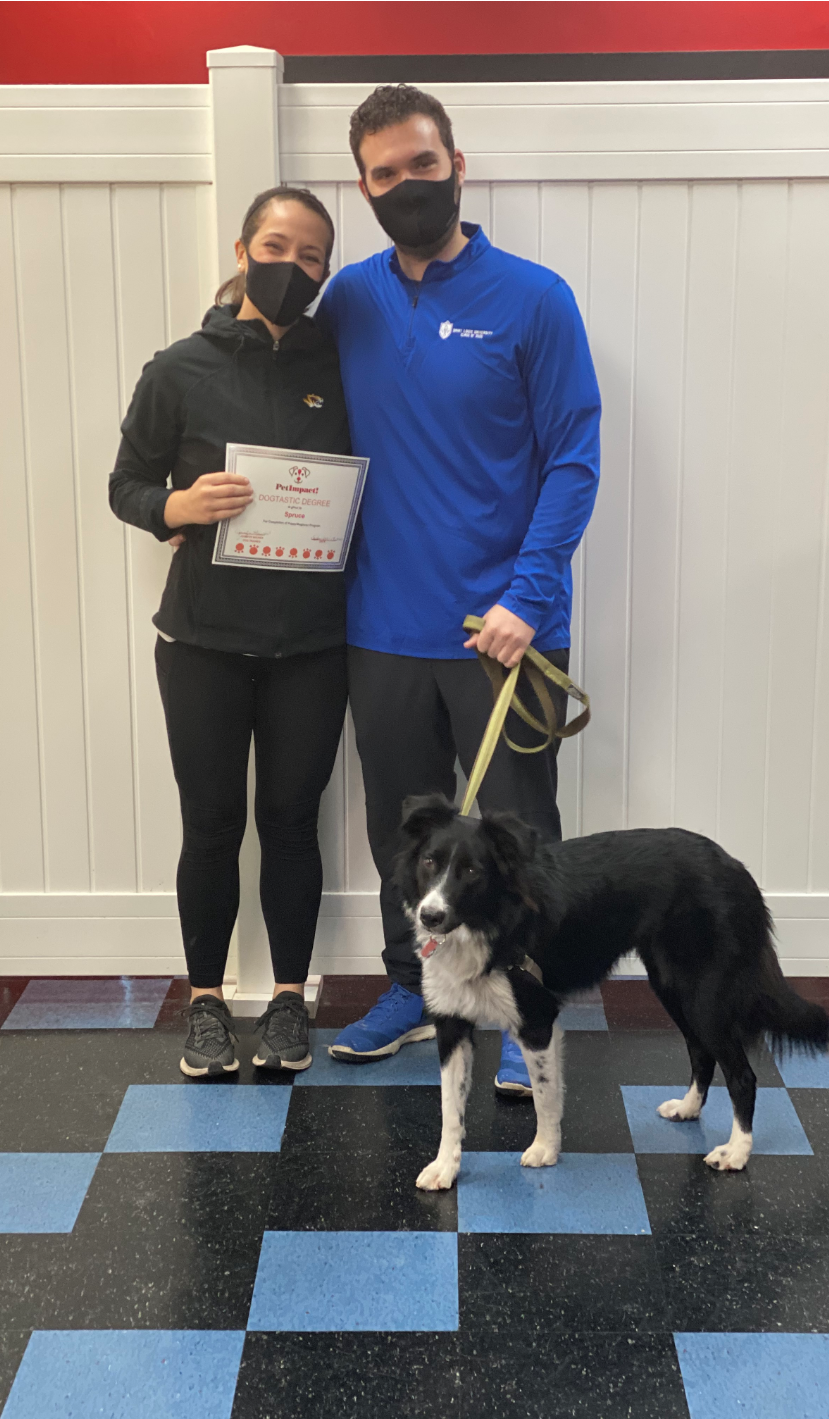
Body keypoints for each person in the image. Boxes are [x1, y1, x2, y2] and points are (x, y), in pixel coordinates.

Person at [317, 85, 601, 1094]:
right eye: (385, 174)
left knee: (519, 840)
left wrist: (528, 595)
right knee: (402, 835)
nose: (407, 185)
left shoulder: (534, 298)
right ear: (363, 186)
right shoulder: (346, 299)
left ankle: (530, 1009)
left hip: (505, 627)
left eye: (422, 165)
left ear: (457, 165)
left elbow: (573, 459)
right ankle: (412, 986)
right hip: (381, 628)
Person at [109, 186, 349, 1078]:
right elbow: (126, 484)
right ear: (243, 250)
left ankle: (289, 999)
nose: (292, 267)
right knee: (210, 823)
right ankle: (206, 1001)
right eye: (276, 247)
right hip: (202, 644)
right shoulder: (179, 368)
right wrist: (175, 505)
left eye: (311, 256)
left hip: (313, 646)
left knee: (291, 822)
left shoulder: (343, 367)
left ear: (325, 272)